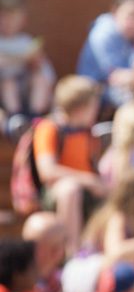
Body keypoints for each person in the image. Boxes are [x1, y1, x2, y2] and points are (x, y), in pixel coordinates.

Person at [32, 75, 107, 254]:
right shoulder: (49, 128)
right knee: (70, 189)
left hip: (87, 189)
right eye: (93, 104)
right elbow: (47, 171)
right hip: (55, 193)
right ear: (80, 107)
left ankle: (98, 249)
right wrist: (87, 180)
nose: (96, 109)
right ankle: (69, 253)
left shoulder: (87, 132)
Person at [76, 0, 134, 109]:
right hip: (96, 91)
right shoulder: (103, 34)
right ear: (115, 11)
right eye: (132, 15)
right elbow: (115, 76)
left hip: (125, 87)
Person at [0, 0, 55, 123]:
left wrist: (35, 63)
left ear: (23, 20)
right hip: (5, 93)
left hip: (26, 92)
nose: (8, 23)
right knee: (9, 82)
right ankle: (16, 118)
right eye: (4, 17)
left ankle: (35, 117)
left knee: (39, 79)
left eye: (13, 18)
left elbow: (47, 74)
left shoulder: (27, 42)